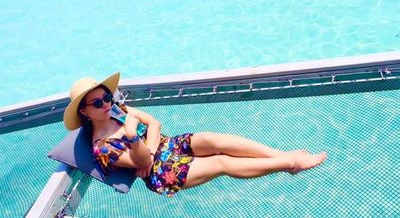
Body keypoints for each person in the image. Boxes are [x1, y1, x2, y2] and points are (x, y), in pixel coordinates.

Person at [63, 72, 327, 197]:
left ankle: (283, 155)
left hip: (167, 146)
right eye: (97, 103)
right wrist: (133, 138)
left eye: (106, 97)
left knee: (214, 139)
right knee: (221, 162)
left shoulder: (119, 110)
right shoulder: (104, 148)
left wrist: (150, 147)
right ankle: (290, 164)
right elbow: (143, 165)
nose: (106, 104)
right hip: (162, 173)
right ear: (85, 112)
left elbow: (154, 122)